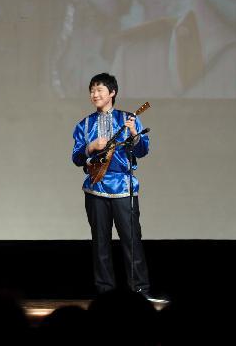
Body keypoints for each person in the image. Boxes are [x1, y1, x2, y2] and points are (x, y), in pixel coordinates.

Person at [71, 73, 163, 302]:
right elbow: (76, 158)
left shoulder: (129, 118)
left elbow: (142, 151)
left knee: (131, 240)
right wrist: (91, 146)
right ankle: (105, 293)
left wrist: (134, 135)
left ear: (112, 93)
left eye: (100, 90)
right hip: (95, 186)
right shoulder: (85, 124)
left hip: (123, 185)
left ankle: (139, 291)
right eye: (92, 90)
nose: (95, 94)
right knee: (100, 241)